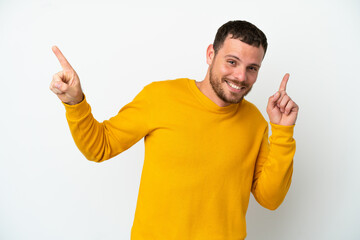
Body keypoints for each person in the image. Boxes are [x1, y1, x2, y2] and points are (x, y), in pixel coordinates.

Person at [50, 20, 299, 240]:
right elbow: (99, 147)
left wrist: (283, 132)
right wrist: (75, 101)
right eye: (232, 62)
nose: (240, 76)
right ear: (211, 54)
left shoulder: (255, 121)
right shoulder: (161, 97)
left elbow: (270, 199)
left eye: (251, 68)